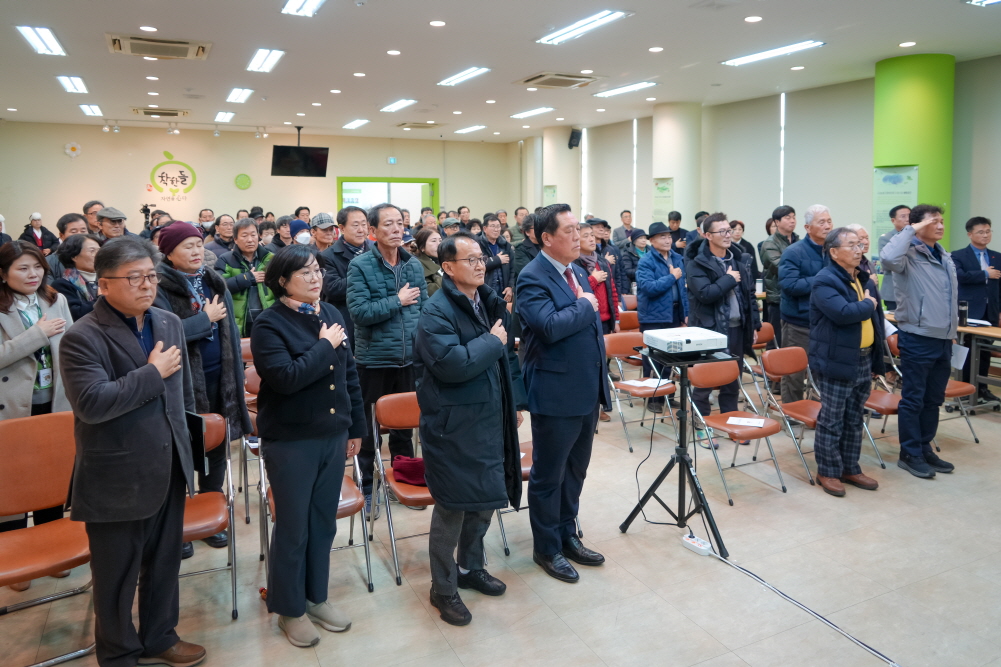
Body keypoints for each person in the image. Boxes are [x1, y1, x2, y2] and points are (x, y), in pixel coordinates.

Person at [59, 236, 206, 667]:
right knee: (117, 575)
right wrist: (151, 373)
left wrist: (188, 450)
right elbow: (92, 403)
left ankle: (160, 636)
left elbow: (182, 397)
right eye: (134, 278)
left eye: (150, 276)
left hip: (169, 463)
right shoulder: (82, 336)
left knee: (164, 564)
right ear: (103, 285)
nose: (147, 285)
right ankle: (119, 653)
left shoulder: (167, 321)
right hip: (116, 472)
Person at [249, 244, 365, 647]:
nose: (316, 278)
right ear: (283, 281)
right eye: (305, 273)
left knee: (323, 522)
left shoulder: (330, 313)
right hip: (292, 439)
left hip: (333, 434)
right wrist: (324, 345)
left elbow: (350, 375)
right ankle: (289, 608)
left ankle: (316, 597)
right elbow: (285, 378)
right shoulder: (269, 324)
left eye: (317, 270)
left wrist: (356, 428)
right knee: (294, 527)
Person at [414, 232, 525, 626]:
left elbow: (503, 360)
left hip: (489, 416)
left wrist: (511, 405)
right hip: (454, 424)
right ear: (448, 267)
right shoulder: (436, 311)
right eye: (471, 259)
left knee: (485, 498)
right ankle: (443, 588)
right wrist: (493, 342)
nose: (481, 264)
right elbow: (452, 364)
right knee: (453, 507)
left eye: (482, 258)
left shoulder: (488, 301)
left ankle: (471, 567)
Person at [516, 203, 610, 584]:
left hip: (586, 386)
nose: (578, 236)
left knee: (576, 468)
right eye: (569, 231)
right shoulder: (531, 276)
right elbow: (551, 327)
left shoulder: (576, 271)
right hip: (556, 390)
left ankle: (568, 533)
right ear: (546, 238)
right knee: (548, 474)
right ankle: (547, 547)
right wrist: (585, 305)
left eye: (579, 229)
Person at [154, 223, 251, 551]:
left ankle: (210, 515)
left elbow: (231, 332)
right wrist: (203, 320)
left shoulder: (212, 279)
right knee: (180, 451)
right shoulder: (159, 285)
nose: (196, 251)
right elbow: (160, 333)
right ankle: (177, 525)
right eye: (187, 247)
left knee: (216, 447)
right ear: (168, 253)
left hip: (218, 375)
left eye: (198, 244)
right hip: (180, 382)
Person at [346, 203, 427, 509]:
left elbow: (424, 306)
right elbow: (360, 313)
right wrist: (398, 300)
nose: (396, 229)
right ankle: (367, 487)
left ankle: (403, 480)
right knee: (369, 431)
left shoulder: (413, 265)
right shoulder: (361, 266)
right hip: (374, 360)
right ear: (373, 232)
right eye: (388, 225)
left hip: (409, 359)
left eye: (399, 224)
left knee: (404, 428)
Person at [0, 242, 73, 575]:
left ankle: (53, 550)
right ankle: (14, 558)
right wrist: (35, 335)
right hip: (12, 409)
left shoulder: (55, 299)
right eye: (22, 268)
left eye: (37, 267)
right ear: (3, 273)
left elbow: (71, 345)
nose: (32, 274)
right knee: (13, 481)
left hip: (55, 402)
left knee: (51, 475)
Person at [881, 204, 957, 479]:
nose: (940, 225)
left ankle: (925, 447)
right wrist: (910, 229)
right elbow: (887, 259)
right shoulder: (907, 253)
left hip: (943, 338)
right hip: (917, 335)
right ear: (917, 225)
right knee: (913, 398)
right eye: (933, 221)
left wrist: (953, 330)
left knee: (933, 398)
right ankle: (909, 452)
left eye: (942, 221)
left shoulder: (944, 255)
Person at [809, 227, 885, 497]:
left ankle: (850, 467)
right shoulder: (824, 280)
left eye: (860, 244)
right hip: (835, 359)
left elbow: (876, 320)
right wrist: (868, 305)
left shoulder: (861, 277)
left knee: (855, 418)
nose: (858, 249)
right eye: (851, 245)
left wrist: (878, 359)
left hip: (862, 357)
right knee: (832, 419)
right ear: (833, 252)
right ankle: (828, 471)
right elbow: (842, 313)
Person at [686, 214, 760, 432]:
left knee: (731, 380)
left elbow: (749, 296)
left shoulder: (739, 259)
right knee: (705, 382)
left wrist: (754, 325)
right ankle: (701, 426)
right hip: (710, 331)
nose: (729, 235)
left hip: (737, 328)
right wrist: (728, 279)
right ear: (708, 235)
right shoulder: (696, 263)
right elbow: (705, 294)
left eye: (730, 230)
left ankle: (730, 423)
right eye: (723, 232)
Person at [778, 205, 832, 403]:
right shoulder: (794, 252)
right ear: (808, 227)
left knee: (821, 369)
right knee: (794, 372)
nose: (827, 226)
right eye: (821, 222)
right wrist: (822, 279)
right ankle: (792, 412)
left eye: (829, 221)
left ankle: (817, 411)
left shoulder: (833, 250)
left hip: (826, 320)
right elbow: (789, 284)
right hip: (798, 321)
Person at [636, 222, 689, 413]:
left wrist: (685, 314)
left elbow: (683, 290)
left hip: (674, 314)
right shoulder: (646, 261)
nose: (668, 240)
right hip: (653, 317)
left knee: (672, 357)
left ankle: (667, 394)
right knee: (654, 359)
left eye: (669, 236)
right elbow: (649, 288)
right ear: (652, 241)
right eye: (662, 237)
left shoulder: (676, 257)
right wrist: (671, 277)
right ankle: (653, 398)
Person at [951, 216, 1001, 401]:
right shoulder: (958, 255)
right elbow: (959, 276)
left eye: (988, 231)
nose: (985, 235)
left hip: (990, 311)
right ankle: (963, 388)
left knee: (985, 351)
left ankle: (982, 388)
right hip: (968, 310)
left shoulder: (997, 256)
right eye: (981, 232)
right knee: (966, 350)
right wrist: (984, 274)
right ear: (970, 234)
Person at [215, 218, 275, 337]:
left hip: (267, 317)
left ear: (258, 236)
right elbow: (220, 287)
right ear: (236, 239)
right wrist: (248, 278)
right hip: (239, 320)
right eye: (244, 235)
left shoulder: (270, 259)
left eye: (253, 235)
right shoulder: (225, 260)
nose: (250, 240)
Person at [320, 206, 371, 342]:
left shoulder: (377, 249)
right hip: (346, 320)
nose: (361, 230)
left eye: (364, 224)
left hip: (376, 317)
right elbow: (333, 289)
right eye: (355, 225)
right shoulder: (327, 256)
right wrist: (368, 275)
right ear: (342, 228)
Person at [760, 205, 798, 349]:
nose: (792, 221)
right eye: (787, 218)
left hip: (797, 296)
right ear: (776, 222)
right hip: (778, 298)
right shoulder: (770, 243)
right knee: (777, 340)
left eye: (794, 217)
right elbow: (781, 268)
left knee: (794, 339)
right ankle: (775, 370)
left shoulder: (798, 241)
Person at [51, 234, 102, 320]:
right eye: (92, 251)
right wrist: (102, 299)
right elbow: (75, 315)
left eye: (99, 251)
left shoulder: (108, 278)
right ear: (74, 256)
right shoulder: (61, 285)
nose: (99, 255)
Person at [877, 205, 911, 311]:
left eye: (909, 216)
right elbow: (887, 264)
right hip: (894, 292)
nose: (907, 219)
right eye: (903, 216)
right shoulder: (886, 238)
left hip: (913, 291)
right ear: (893, 220)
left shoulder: (917, 237)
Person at [590, 218, 627, 307]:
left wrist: (618, 298)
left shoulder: (611, 249)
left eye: (603, 227)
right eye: (598, 227)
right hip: (594, 293)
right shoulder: (587, 249)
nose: (602, 229)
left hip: (611, 293)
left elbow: (617, 275)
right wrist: (606, 261)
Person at [477, 213, 513, 302]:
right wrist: (497, 260)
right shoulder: (477, 245)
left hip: (503, 290)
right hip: (484, 288)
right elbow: (477, 265)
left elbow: (513, 269)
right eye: (493, 226)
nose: (496, 229)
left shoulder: (505, 246)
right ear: (485, 228)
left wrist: (510, 286)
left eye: (498, 226)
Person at [47, 212, 91, 279]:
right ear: (62, 235)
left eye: (83, 231)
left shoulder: (96, 257)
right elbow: (48, 288)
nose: (79, 235)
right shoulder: (49, 262)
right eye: (74, 232)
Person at [415, 227, 443, 296]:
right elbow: (433, 291)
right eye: (434, 241)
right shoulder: (418, 265)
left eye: (440, 240)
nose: (439, 244)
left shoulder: (446, 260)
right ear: (422, 247)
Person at [620, 228, 648, 292]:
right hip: (635, 284)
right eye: (640, 238)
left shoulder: (651, 251)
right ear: (634, 241)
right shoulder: (627, 253)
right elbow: (627, 271)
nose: (644, 240)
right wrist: (643, 270)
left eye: (645, 238)